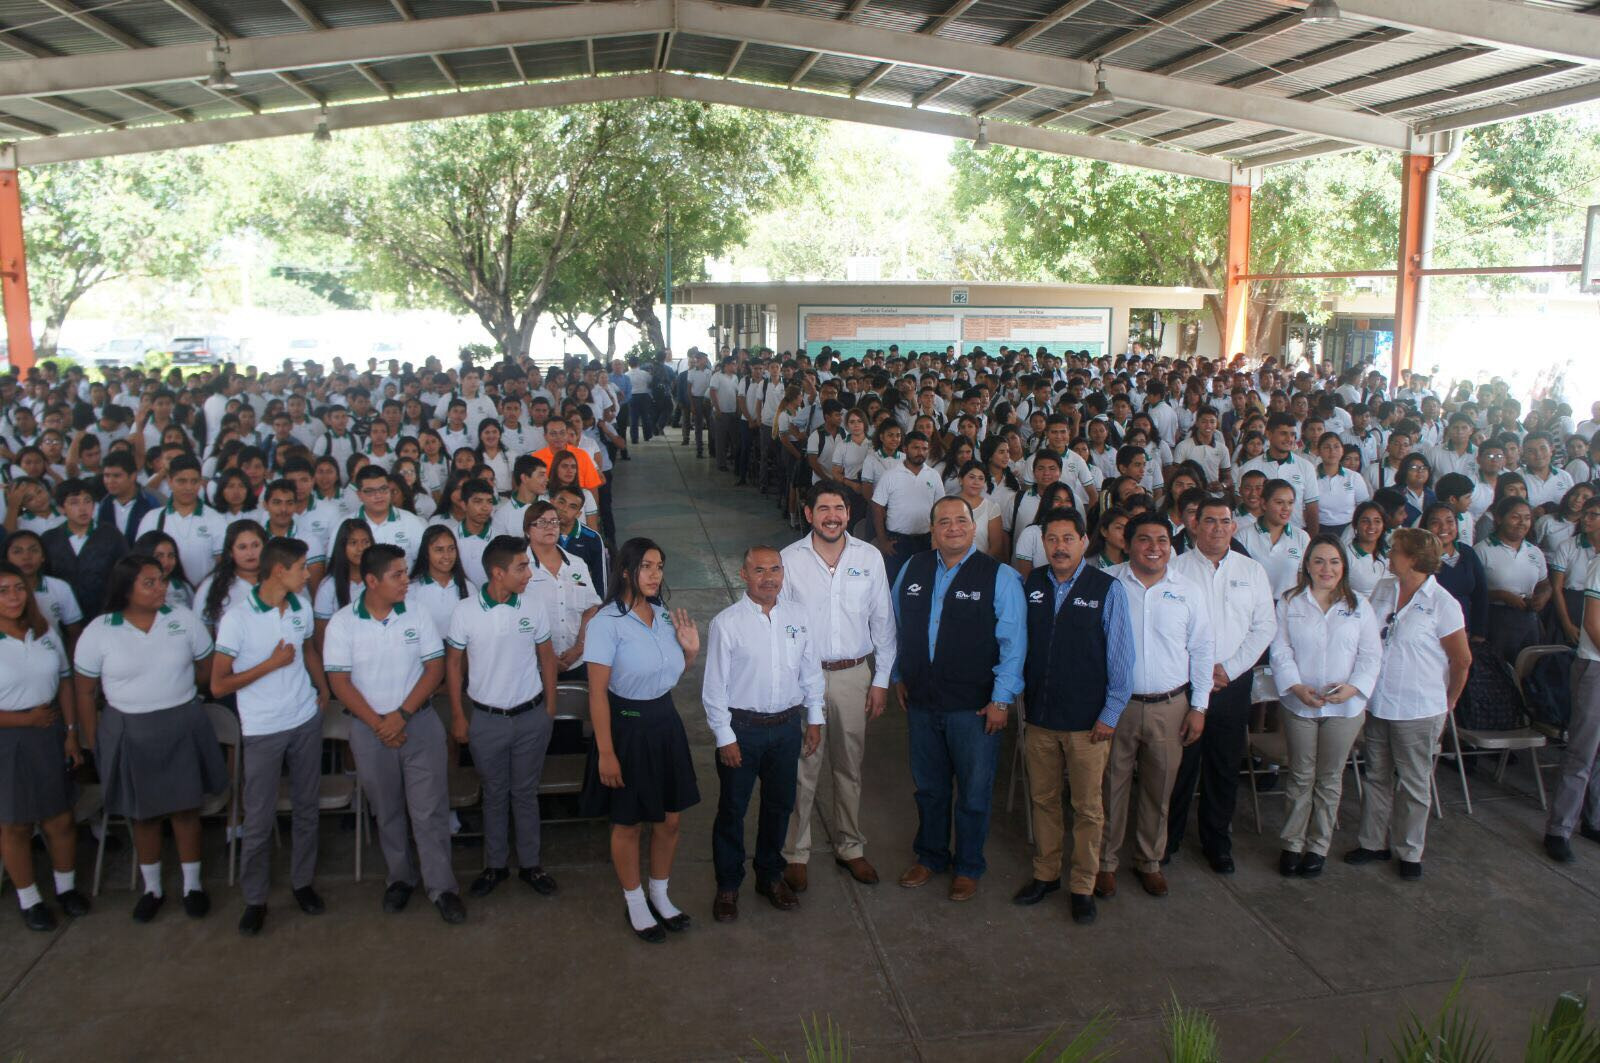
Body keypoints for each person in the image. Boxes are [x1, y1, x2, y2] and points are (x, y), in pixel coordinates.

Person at [74, 554, 225, 922]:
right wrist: (96, 744)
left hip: (180, 722)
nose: (161, 588)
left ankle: (192, 885)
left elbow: (206, 668)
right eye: (149, 582)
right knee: (144, 816)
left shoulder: (182, 619)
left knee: (185, 809)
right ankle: (153, 888)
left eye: (161, 580)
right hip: (130, 729)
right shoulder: (101, 630)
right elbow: (84, 692)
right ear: (126, 588)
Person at [890, 495, 1025, 902]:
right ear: (932, 529)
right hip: (922, 702)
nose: (952, 528)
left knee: (973, 792)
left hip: (974, 707)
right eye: (943, 521)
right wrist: (899, 674)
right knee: (929, 787)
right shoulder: (912, 570)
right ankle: (930, 856)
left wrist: (1001, 701)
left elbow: (1014, 645)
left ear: (974, 527)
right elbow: (897, 625)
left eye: (961, 521)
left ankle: (968, 866)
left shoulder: (999, 577)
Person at [324, 543, 465, 923]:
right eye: (397, 575)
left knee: (430, 810)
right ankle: (400, 879)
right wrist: (378, 723)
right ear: (371, 581)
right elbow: (339, 681)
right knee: (386, 811)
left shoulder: (416, 614)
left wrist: (400, 716)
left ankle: (442, 887)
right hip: (371, 731)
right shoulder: (343, 623)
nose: (406, 581)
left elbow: (434, 669)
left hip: (417, 725)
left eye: (405, 572)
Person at [1014, 508, 1134, 925]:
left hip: (1088, 725)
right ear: (1043, 544)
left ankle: (1083, 884)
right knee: (1044, 800)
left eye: (1068, 538)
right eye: (1052, 539)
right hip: (1041, 719)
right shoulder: (1031, 585)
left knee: (1087, 808)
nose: (1060, 546)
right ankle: (1046, 874)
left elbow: (1121, 660)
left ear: (1085, 542)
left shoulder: (1107, 589)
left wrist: (1111, 714)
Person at [579, 538, 701, 944]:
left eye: (660, 567)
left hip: (664, 722)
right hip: (626, 727)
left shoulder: (664, 616)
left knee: (670, 819)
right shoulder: (605, 623)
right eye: (647, 566)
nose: (655, 575)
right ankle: (634, 901)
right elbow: (597, 693)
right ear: (627, 571)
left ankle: (660, 895)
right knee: (627, 822)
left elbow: (664, 678)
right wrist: (607, 752)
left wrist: (690, 655)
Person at [777, 482, 897, 892]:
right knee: (803, 766)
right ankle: (796, 851)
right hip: (803, 677)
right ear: (808, 514)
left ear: (849, 514)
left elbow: (883, 621)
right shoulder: (789, 560)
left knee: (849, 764)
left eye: (840, 508)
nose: (832, 515)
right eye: (824, 508)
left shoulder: (869, 557)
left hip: (853, 675)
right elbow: (783, 626)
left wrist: (880, 680)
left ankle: (850, 845)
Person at [211, 536, 331, 936]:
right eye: (302, 567)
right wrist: (271, 664)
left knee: (306, 808)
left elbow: (309, 650)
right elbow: (219, 685)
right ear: (280, 570)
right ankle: (255, 898)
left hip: (303, 720)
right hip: (262, 728)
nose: (309, 573)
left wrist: (323, 688)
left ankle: (302, 883)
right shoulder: (238, 618)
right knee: (260, 818)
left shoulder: (300, 605)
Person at [701, 546, 825, 921]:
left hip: (787, 728)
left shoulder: (799, 617)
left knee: (780, 806)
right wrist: (725, 736)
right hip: (744, 730)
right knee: (732, 809)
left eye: (775, 569)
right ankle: (728, 885)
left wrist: (814, 718)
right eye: (759, 570)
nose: (768, 577)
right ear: (743, 575)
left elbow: (810, 672)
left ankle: (770, 876)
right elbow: (714, 688)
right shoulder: (727, 623)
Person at [1097, 513, 1212, 900]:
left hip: (1170, 706)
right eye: (1144, 540)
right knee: (1110, 786)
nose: (1154, 548)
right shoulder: (1108, 582)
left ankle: (1149, 861)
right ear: (1127, 544)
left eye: (1162, 540)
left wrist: (1199, 706)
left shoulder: (1188, 590)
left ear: (1171, 545)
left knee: (1158, 789)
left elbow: (1201, 649)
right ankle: (1106, 862)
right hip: (1117, 705)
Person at [1348, 529, 1471, 881]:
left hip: (1419, 707)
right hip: (1381, 702)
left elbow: (1461, 660)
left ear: (1415, 559)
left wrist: (1449, 703)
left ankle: (1409, 850)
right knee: (1377, 775)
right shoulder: (1385, 588)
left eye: (1396, 550)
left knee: (1415, 783)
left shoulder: (1443, 604)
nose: (1390, 554)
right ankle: (1372, 842)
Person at [445, 535, 560, 900]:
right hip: (486, 720)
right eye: (521, 567)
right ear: (497, 573)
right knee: (494, 794)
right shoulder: (465, 612)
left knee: (525, 793)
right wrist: (459, 717)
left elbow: (546, 657)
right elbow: (452, 666)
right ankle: (494, 866)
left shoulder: (533, 607)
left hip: (530, 716)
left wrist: (551, 707)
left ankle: (531, 864)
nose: (529, 572)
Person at [1168, 498, 1276, 874]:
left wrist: (1228, 669)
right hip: (1184, 683)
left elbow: (1265, 626)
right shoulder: (1175, 569)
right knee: (1180, 765)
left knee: (1224, 766)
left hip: (1232, 683)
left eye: (1224, 521)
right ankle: (1168, 838)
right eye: (1208, 520)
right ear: (1194, 525)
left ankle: (1217, 841)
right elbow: (1165, 627)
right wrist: (1196, 671)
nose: (1216, 528)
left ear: (1234, 527)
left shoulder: (1252, 570)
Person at [1270, 537, 1382, 878]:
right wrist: (1296, 686)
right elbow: (1280, 650)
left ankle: (1318, 846)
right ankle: (1292, 843)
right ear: (1306, 565)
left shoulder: (1359, 605)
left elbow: (1371, 655)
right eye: (1318, 561)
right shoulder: (1290, 602)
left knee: (1330, 778)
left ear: (1343, 566)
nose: (1326, 569)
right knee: (1301, 775)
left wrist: (1353, 689)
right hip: (1300, 704)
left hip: (1344, 709)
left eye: (1333, 562)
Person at [0, 561, 89, 931]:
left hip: (50, 732)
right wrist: (23, 720)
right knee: (16, 825)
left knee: (60, 817)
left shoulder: (44, 630)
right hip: (9, 738)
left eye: (18, 588)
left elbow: (66, 682)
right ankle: (30, 899)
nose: (13, 597)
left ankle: (65, 889)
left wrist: (70, 731)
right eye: (3, 591)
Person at [523, 500, 600, 680]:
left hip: (576, 662)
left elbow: (590, 609)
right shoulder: (520, 567)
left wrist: (578, 648)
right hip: (534, 667)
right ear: (527, 531)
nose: (550, 527)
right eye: (541, 522)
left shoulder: (576, 564)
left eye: (554, 522)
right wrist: (546, 657)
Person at [41, 478, 129, 621]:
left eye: (87, 501)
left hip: (105, 614)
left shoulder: (111, 535)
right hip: (64, 618)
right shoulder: (50, 539)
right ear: (61, 508)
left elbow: (125, 574)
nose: (83, 508)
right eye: (74, 502)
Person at [1478, 495, 1551, 664]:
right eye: (1515, 517)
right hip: (1496, 621)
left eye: (1527, 518)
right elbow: (1474, 593)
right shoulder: (1482, 551)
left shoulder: (1534, 552)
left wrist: (1544, 596)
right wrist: (1502, 595)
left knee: (1529, 670)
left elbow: (1544, 584)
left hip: (1528, 618)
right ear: (1499, 518)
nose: (1522, 523)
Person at [872, 430, 943, 581]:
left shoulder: (933, 475)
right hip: (898, 542)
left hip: (926, 540)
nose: (920, 452)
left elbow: (940, 507)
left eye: (924, 449)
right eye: (916, 448)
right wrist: (882, 540)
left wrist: (937, 538)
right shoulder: (890, 475)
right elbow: (877, 507)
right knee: (895, 583)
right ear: (905, 449)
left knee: (923, 583)